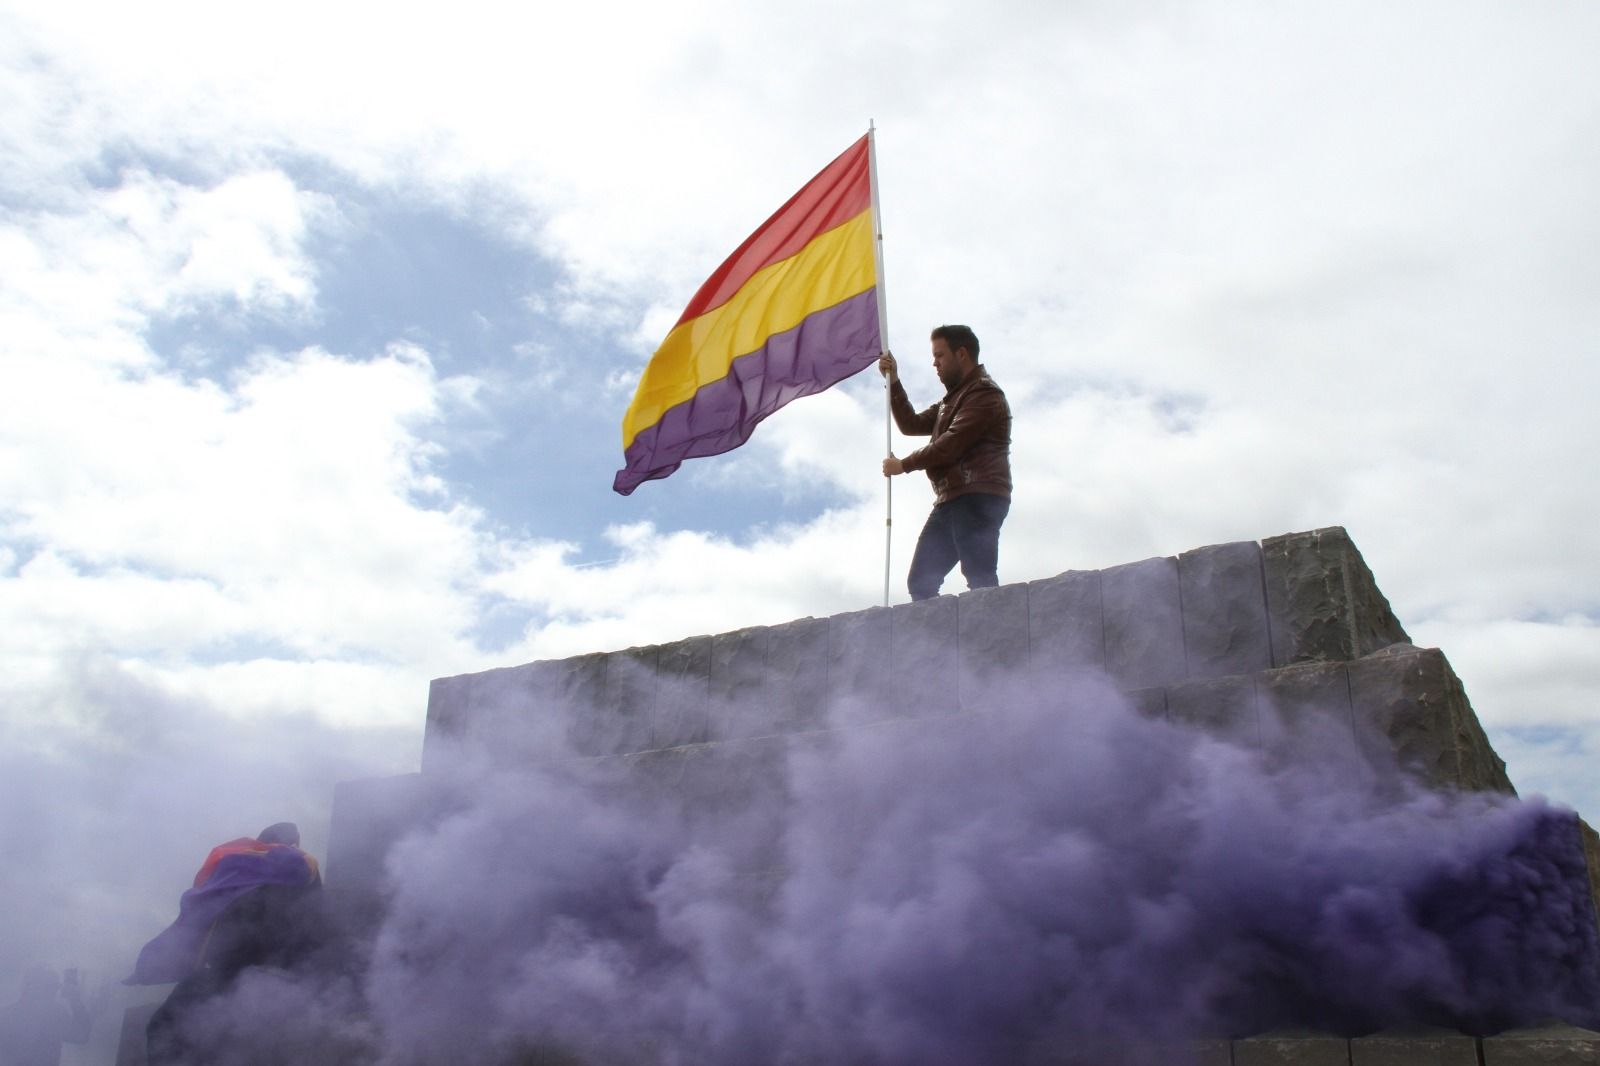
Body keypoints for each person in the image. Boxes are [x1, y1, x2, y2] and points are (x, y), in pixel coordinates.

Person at [131, 823, 325, 1064]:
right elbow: (316, 920)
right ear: (294, 842)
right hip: (274, 970)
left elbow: (205, 909)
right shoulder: (304, 867)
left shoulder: (234, 863)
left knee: (164, 1026)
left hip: (230, 968)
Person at [880, 324, 1013, 601]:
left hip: (977, 497)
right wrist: (893, 382)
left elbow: (950, 445)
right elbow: (910, 424)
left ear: (961, 354)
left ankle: (994, 638)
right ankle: (941, 645)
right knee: (921, 582)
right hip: (951, 500)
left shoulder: (984, 394)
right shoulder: (952, 401)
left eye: (940, 355)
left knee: (980, 577)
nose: (934, 363)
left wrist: (902, 464)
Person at [0, 965, 91, 1066]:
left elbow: (81, 1036)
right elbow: (81, 1035)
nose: (54, 993)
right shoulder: (55, 1015)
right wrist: (75, 999)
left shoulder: (6, 1015)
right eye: (52, 988)